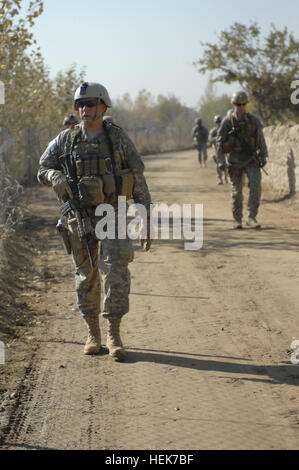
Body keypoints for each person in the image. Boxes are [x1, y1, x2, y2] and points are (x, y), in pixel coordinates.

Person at [37, 81, 152, 360]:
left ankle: (113, 333)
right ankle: (93, 332)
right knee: (86, 276)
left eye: (89, 103)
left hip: (112, 214)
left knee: (115, 272)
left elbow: (137, 178)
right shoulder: (66, 139)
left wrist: (145, 217)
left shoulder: (118, 139)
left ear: (103, 106)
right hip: (80, 218)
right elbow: (42, 167)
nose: (84, 109)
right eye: (80, 104)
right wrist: (54, 177)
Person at [216, 91, 268, 229]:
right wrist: (221, 161)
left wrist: (264, 155)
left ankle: (252, 217)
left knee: (255, 187)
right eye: (238, 104)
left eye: (243, 104)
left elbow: (260, 138)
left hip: (251, 159)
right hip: (235, 161)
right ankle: (237, 219)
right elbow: (219, 143)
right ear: (233, 104)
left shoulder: (253, 120)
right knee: (236, 191)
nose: (241, 107)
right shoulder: (227, 122)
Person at [208, 115, 228, 185]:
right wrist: (217, 138)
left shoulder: (226, 129)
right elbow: (210, 139)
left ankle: (226, 177)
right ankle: (220, 179)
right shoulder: (213, 131)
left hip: (226, 149)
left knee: (227, 164)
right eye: (217, 122)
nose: (218, 123)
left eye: (219, 121)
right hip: (217, 150)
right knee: (219, 164)